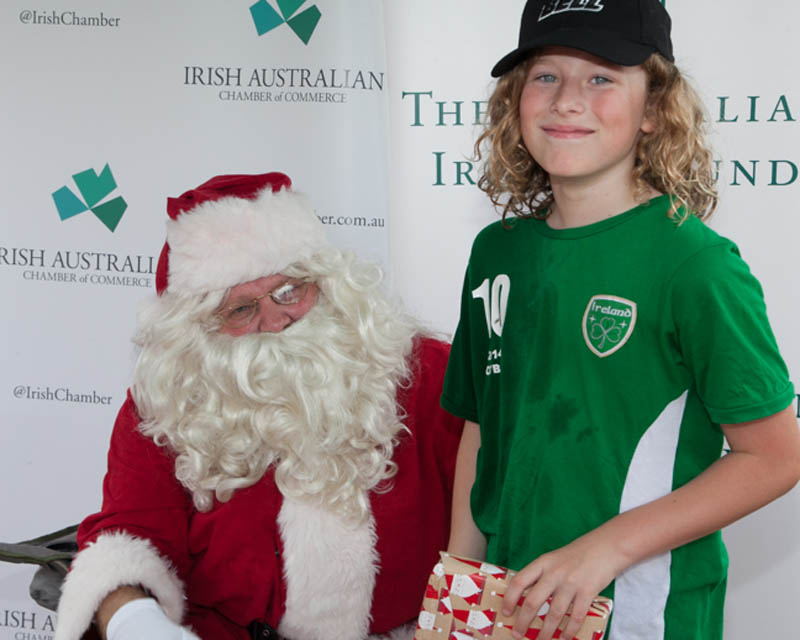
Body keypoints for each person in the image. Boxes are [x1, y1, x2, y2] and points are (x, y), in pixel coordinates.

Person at [441, 2, 800, 639]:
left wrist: (605, 548)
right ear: (515, 100)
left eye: (602, 77)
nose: (567, 100)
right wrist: (460, 587)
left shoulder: (693, 264)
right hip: (508, 605)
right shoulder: (496, 253)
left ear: (654, 108)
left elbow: (774, 458)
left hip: (640, 613)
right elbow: (481, 428)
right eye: (545, 76)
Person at [53, 172, 464, 640]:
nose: (275, 320)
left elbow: (496, 513)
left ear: (328, 283)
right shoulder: (167, 400)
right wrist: (136, 623)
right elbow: (129, 538)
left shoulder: (429, 373)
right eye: (241, 310)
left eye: (290, 291)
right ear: (197, 328)